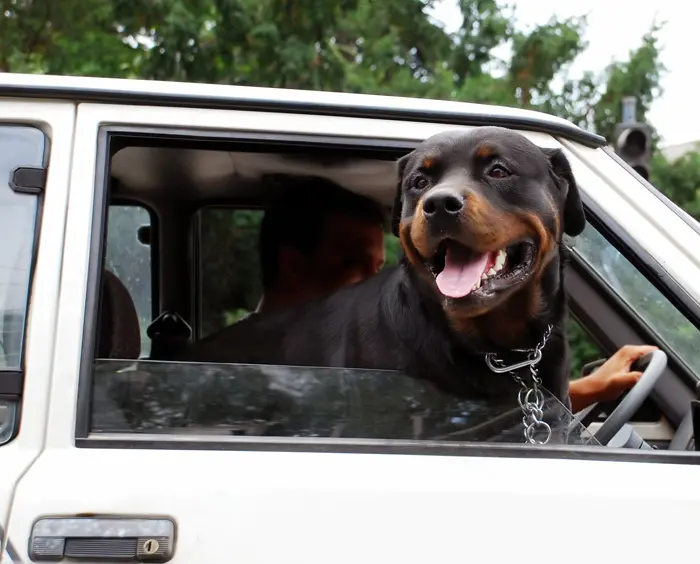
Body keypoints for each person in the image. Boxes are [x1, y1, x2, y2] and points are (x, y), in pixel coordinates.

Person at [253, 176, 656, 413]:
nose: (376, 287)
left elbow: (463, 408)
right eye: (354, 263)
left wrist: (582, 390)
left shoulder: (358, 361)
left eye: (379, 268)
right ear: (292, 264)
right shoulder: (256, 376)